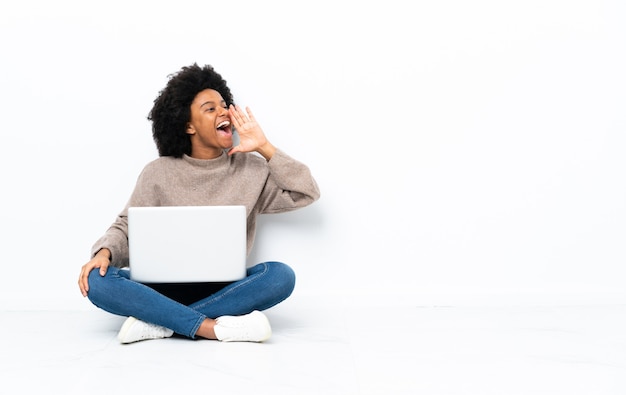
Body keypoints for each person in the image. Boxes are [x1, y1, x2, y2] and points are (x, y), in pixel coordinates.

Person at [78, 63, 320, 344]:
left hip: (225, 288)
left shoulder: (251, 170)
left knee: (280, 276)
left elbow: (306, 192)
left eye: (224, 105)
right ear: (188, 125)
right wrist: (104, 253)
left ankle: (161, 322)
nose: (224, 112)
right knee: (97, 279)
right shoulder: (158, 172)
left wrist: (265, 147)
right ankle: (210, 327)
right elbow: (125, 225)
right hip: (161, 289)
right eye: (210, 108)